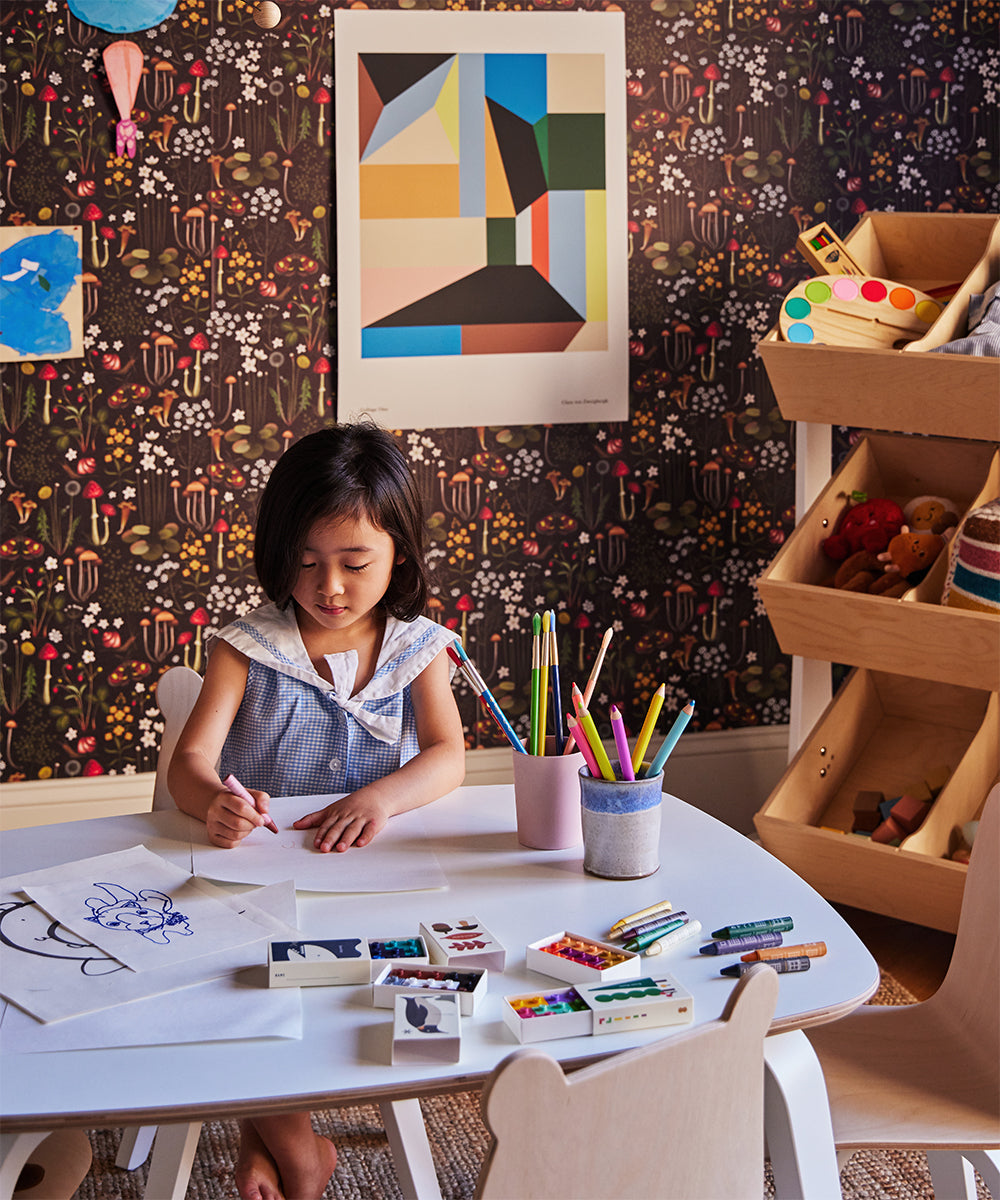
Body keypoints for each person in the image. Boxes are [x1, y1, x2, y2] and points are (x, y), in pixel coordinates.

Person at [169, 421, 466, 1200]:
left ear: (398, 551)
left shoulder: (416, 647)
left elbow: (448, 754)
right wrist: (215, 806)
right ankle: (302, 1156)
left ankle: (258, 1130)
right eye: (305, 563)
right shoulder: (246, 647)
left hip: (365, 884)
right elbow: (189, 766)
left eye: (354, 563)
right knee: (235, 985)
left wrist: (380, 796)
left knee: (338, 985)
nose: (329, 587)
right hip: (255, 883)